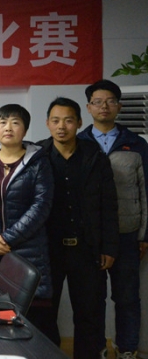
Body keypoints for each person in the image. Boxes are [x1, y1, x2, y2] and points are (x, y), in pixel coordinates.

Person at [38, 97, 119, 358]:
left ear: (80, 122)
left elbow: (109, 204)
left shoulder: (95, 156)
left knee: (89, 315)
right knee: (44, 314)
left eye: (68, 120)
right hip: (48, 250)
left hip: (86, 249)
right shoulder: (37, 156)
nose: (62, 126)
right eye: (56, 120)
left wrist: (109, 247)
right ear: (48, 123)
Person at [77, 79, 148, 359]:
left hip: (127, 233)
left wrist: (145, 234)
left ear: (119, 106)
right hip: (90, 235)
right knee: (92, 299)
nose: (103, 106)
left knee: (127, 297)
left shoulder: (137, 144)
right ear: (88, 107)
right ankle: (97, 348)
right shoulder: (79, 142)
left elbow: (146, 191)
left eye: (110, 101)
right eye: (97, 102)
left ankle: (127, 349)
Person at [0, 104, 53, 325]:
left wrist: (7, 239)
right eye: (2, 122)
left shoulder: (38, 162)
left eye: (15, 123)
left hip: (26, 250)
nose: (8, 128)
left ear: (25, 129)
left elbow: (41, 205)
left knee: (25, 319)